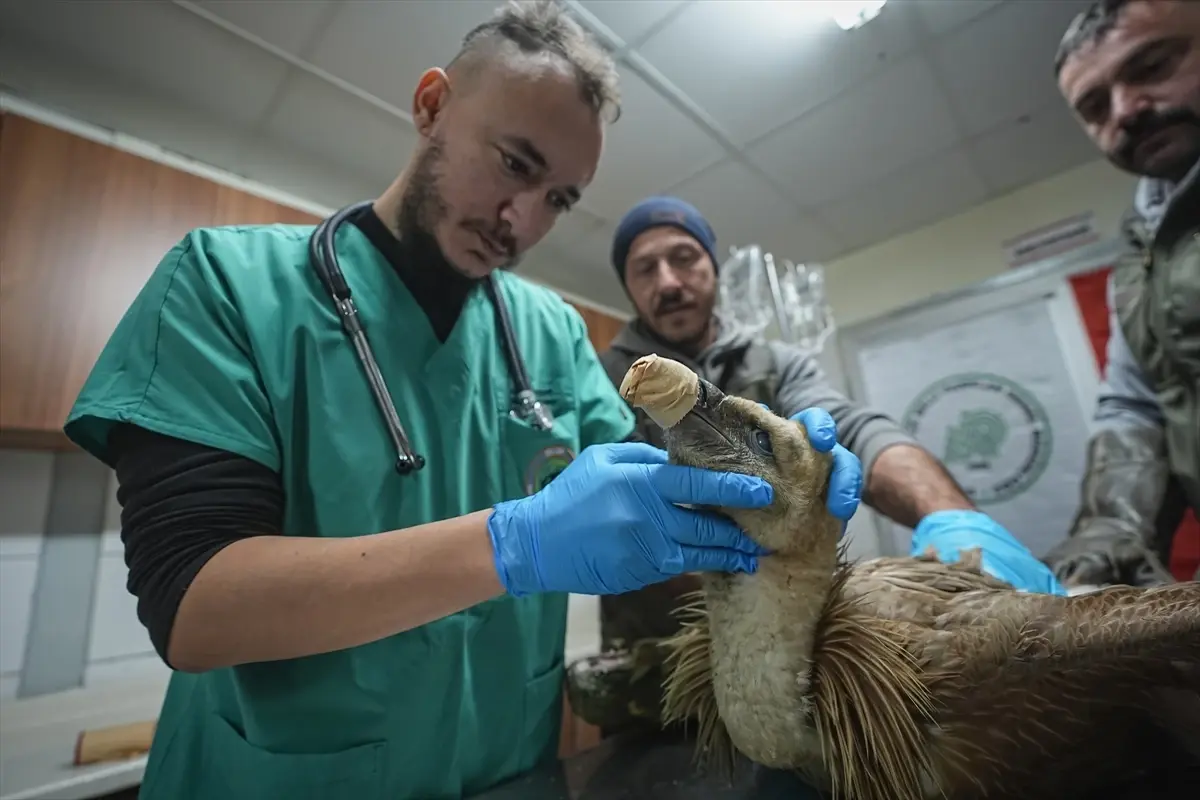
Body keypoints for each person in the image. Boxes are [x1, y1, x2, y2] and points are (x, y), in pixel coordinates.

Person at [59, 4, 862, 798]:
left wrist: (772, 485)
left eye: (560, 199)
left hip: (508, 771)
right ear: (431, 105)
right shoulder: (226, 284)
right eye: (515, 164)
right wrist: (514, 545)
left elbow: (659, 496)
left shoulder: (550, 332)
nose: (524, 221)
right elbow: (193, 605)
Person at [594, 195, 1066, 659]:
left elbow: (856, 431)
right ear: (628, 287)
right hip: (660, 651)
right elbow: (616, 508)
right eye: (645, 269)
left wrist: (954, 521)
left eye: (684, 258)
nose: (668, 282)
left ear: (712, 267)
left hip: (794, 639)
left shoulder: (777, 364)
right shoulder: (599, 379)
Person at [1041, 0, 1200, 588]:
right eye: (1094, 106)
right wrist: (1108, 538)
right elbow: (1135, 405)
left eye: (1153, 66)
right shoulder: (1139, 252)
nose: (1126, 110)